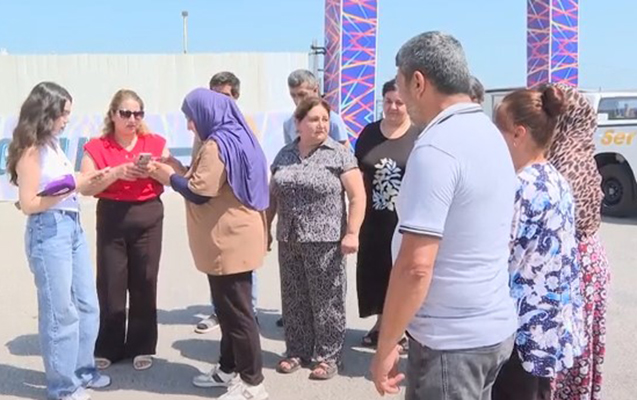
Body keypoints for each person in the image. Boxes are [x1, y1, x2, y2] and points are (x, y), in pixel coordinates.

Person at [370, 31, 518, 400]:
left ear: (418, 82)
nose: (400, 97)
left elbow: (416, 267)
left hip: (450, 343)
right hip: (488, 328)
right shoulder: (487, 133)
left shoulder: (437, 147)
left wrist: (387, 343)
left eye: (400, 84)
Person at [151, 88, 269, 400]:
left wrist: (168, 177)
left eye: (191, 117)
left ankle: (252, 383)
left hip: (229, 242)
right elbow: (205, 180)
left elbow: (200, 191)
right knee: (229, 311)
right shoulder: (234, 137)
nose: (189, 125)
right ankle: (228, 369)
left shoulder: (217, 144)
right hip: (234, 239)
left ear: (206, 114)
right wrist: (177, 168)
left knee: (238, 313)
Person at [7, 82, 111, 400]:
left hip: (71, 226)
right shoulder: (30, 149)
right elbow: (28, 203)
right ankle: (62, 387)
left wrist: (83, 181)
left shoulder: (52, 144)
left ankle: (82, 370)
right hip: (49, 231)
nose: (67, 120)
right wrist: (71, 185)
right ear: (46, 111)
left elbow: (64, 186)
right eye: (63, 113)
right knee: (59, 312)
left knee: (87, 304)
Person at [491, 86, 585, 400]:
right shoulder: (556, 180)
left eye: (498, 130)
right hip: (549, 321)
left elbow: (500, 254)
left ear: (518, 134)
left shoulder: (519, 186)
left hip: (520, 326)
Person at [268, 96, 366, 380]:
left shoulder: (339, 154)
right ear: (298, 123)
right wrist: (265, 230)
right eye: (314, 119)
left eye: (325, 119)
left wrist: (352, 233)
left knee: (327, 300)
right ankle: (297, 351)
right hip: (289, 238)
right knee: (293, 297)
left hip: (326, 241)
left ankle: (328, 356)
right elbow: (272, 197)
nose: (321, 124)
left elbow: (357, 196)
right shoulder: (284, 155)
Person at [80, 89, 168, 371]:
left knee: (145, 281)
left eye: (138, 113)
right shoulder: (97, 147)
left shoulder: (154, 142)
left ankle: (142, 345)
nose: (132, 119)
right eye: (126, 113)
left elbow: (173, 175)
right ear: (113, 115)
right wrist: (116, 173)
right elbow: (85, 186)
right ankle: (108, 345)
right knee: (110, 283)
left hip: (148, 215)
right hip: (113, 216)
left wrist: (154, 169)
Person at [548, 84, 610, 400]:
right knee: (580, 342)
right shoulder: (582, 149)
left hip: (573, 263)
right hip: (589, 259)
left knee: (566, 343)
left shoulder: (563, 158)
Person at [193, 71, 260, 335]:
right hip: (213, 211)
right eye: (215, 95)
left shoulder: (245, 124)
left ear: (236, 97)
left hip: (237, 208)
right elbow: (199, 167)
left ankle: (249, 313)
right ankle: (220, 312)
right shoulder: (205, 127)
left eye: (224, 96)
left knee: (241, 268)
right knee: (218, 267)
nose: (219, 101)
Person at [354, 78, 418, 350]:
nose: (393, 107)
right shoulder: (369, 133)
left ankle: (403, 329)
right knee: (376, 272)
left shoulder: (419, 135)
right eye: (388, 101)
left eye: (399, 102)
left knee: (402, 274)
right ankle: (382, 324)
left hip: (406, 221)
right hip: (372, 220)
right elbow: (356, 173)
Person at [283, 69, 350, 146]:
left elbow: (345, 149)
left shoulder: (332, 120)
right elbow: (288, 151)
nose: (298, 100)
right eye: (293, 95)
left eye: (302, 95)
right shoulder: (289, 123)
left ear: (315, 90)